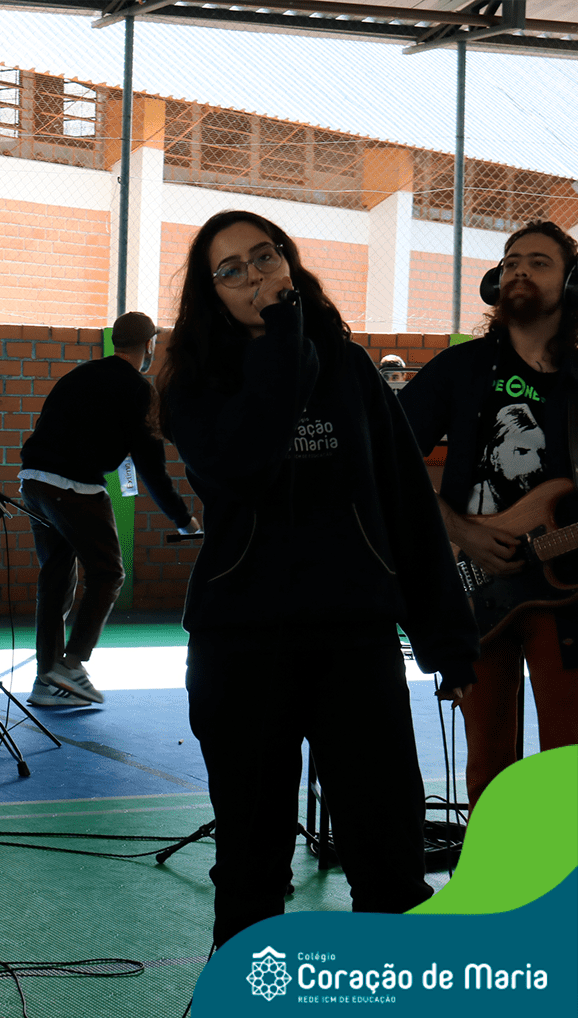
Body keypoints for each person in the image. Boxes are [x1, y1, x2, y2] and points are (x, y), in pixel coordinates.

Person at [156, 209, 478, 950]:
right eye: (231, 270)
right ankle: (243, 995)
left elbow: (405, 503)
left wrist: (447, 640)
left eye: (265, 257)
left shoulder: (350, 369)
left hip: (353, 643)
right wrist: (282, 343)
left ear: (290, 263)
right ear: (211, 294)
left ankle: (394, 993)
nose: (254, 276)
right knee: (251, 867)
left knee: (391, 862)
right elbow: (245, 465)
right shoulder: (195, 382)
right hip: (242, 649)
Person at [398, 219, 578, 813]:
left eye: (539, 262)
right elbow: (387, 459)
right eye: (511, 261)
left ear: (572, 284)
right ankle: (492, 869)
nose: (520, 270)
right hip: (471, 588)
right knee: (489, 766)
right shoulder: (462, 368)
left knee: (569, 760)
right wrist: (461, 532)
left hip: (568, 593)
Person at [19, 310, 200, 708]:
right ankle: (70, 665)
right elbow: (152, 467)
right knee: (108, 572)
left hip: (34, 481)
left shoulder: (78, 375)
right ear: (150, 345)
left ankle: (46, 682)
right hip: (73, 487)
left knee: (56, 578)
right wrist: (183, 519)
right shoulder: (137, 390)